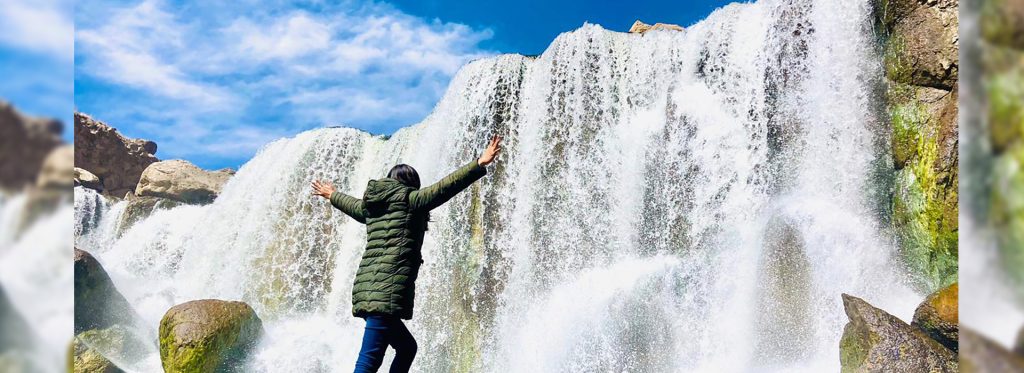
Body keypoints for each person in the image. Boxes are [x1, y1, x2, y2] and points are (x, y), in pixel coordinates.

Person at [311, 135, 502, 373]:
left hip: (369, 289)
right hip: (385, 291)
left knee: (406, 348)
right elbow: (444, 187)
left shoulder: (372, 207)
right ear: (411, 183)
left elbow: (353, 205)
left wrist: (332, 194)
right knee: (369, 361)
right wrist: (479, 164)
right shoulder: (411, 200)